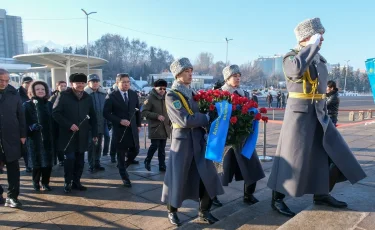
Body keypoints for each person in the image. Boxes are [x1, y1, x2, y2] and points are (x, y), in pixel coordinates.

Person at [267, 17, 366, 217]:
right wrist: (310, 47)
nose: (322, 40)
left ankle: (321, 193)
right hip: (299, 116)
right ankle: (277, 199)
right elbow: (295, 71)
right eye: (318, 36)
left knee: (335, 153)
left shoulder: (319, 59)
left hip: (320, 114)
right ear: (307, 38)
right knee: (292, 158)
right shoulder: (291, 57)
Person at [161, 58, 224, 226]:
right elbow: (184, 120)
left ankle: (205, 211)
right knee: (178, 177)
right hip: (182, 142)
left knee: (208, 176)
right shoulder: (172, 95)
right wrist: (206, 117)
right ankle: (172, 210)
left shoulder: (193, 93)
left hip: (199, 140)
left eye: (191, 71)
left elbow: (201, 111)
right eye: (186, 71)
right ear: (178, 75)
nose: (190, 74)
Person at [211, 65, 265, 207]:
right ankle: (211, 197)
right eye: (234, 76)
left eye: (239, 75)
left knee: (251, 167)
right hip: (225, 139)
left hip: (242, 138)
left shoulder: (244, 94)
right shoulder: (219, 94)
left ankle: (248, 195)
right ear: (227, 78)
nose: (238, 78)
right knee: (219, 169)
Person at [52, 73, 98, 193]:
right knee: (70, 160)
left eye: (82, 83)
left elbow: (93, 116)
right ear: (72, 84)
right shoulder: (63, 95)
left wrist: (95, 133)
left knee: (80, 161)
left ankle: (76, 181)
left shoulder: (87, 97)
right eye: (78, 83)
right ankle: (67, 182)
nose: (80, 85)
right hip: (68, 135)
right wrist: (69, 124)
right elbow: (55, 113)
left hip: (82, 135)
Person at [103, 73, 141, 188]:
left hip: (133, 128)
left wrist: (138, 124)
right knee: (121, 153)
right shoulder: (112, 96)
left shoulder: (133, 94)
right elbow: (106, 113)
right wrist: (119, 120)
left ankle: (123, 166)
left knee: (136, 150)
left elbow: (138, 110)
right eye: (123, 82)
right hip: (120, 130)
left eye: (128, 82)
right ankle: (125, 177)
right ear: (117, 83)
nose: (126, 84)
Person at [0, 68, 26, 208]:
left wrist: (23, 135)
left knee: (13, 169)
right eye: (1, 80)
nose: (4, 83)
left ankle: (12, 196)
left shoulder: (13, 93)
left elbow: (21, 115)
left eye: (6, 80)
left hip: (11, 136)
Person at [23, 81, 54, 191]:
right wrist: (31, 127)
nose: (40, 91)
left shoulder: (49, 104)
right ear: (33, 91)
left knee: (48, 163)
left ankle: (45, 182)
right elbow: (22, 123)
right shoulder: (27, 105)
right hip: (34, 139)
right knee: (37, 163)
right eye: (38, 89)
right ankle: (36, 182)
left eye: (43, 89)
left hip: (48, 138)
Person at [141, 79, 171, 172]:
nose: (162, 90)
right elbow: (144, 112)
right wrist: (156, 116)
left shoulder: (167, 98)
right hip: (155, 127)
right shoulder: (150, 98)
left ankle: (162, 165)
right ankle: (147, 160)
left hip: (165, 127)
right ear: (155, 88)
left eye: (164, 88)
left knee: (162, 148)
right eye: (160, 88)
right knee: (155, 146)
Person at [84, 74, 107, 173]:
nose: (95, 83)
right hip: (90, 125)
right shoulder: (85, 94)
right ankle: (91, 164)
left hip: (101, 123)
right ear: (89, 83)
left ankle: (97, 162)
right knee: (91, 145)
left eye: (97, 81)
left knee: (99, 145)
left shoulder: (103, 94)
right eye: (93, 81)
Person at [49, 80, 67, 166]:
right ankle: (61, 159)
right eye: (61, 86)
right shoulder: (53, 98)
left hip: (66, 123)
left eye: (65, 85)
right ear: (57, 87)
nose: (63, 87)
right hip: (57, 124)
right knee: (59, 142)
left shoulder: (69, 96)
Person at [18, 76, 34, 172]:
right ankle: (28, 165)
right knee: (25, 146)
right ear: (22, 83)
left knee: (30, 145)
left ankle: (30, 164)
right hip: (21, 122)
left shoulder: (33, 92)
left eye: (30, 83)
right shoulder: (17, 94)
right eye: (27, 83)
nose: (28, 85)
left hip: (31, 122)